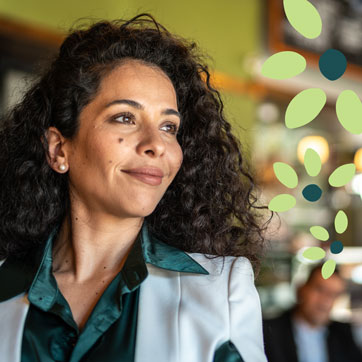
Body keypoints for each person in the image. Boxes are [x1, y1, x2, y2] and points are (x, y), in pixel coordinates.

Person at [0, 14, 269, 362]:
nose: (156, 144)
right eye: (125, 117)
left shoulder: (221, 290)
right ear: (58, 149)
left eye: (169, 126)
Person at [263, 263, 362, 362]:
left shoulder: (343, 333)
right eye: (320, 290)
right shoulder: (269, 331)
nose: (325, 301)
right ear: (301, 290)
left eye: (334, 295)